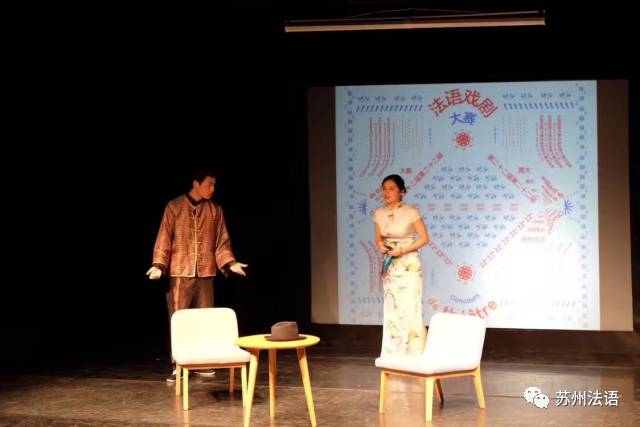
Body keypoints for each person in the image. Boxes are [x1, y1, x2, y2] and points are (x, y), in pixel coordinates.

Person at [147, 167, 247, 381]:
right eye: (209, 184)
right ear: (196, 184)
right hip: (180, 272)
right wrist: (159, 265)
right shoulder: (174, 207)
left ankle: (203, 362)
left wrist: (230, 263)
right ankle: (179, 364)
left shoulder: (215, 210)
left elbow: (221, 241)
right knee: (179, 319)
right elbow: (164, 238)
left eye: (214, 185)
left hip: (205, 272)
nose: (212, 189)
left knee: (205, 319)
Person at [373, 174, 430, 358]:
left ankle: (414, 353)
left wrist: (403, 250)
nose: (386, 192)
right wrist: (381, 246)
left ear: (401, 191)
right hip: (391, 265)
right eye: (384, 189)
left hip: (408, 264)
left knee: (409, 308)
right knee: (392, 309)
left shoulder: (411, 211)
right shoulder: (379, 213)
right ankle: (393, 353)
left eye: (391, 189)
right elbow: (378, 238)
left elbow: (424, 238)